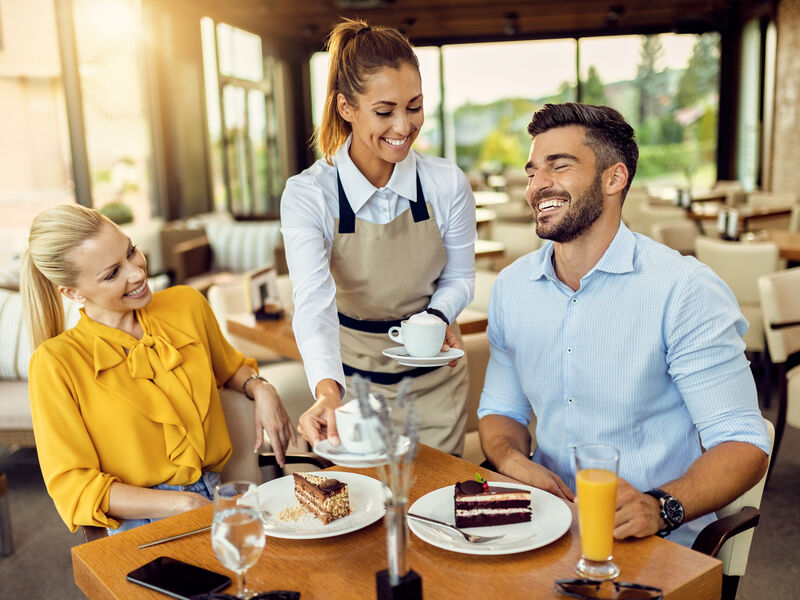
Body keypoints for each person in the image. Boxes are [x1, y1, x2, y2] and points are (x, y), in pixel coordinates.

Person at [477, 102, 770, 547]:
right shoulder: (511, 288)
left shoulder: (684, 291)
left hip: (653, 545)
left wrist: (659, 506)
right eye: (534, 170)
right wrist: (511, 459)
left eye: (559, 166)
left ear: (614, 178)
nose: (538, 185)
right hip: (545, 529)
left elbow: (743, 443)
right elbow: (501, 410)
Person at [21, 204, 296, 533]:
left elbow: (230, 367)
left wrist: (260, 388)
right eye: (112, 274)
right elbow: (74, 486)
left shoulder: (186, 304)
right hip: (138, 524)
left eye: (131, 251)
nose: (137, 273)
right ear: (72, 292)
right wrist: (181, 503)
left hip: (219, 495)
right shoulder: (55, 363)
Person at [281, 19, 475, 454]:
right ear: (346, 107)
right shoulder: (310, 195)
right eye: (385, 112)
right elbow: (313, 304)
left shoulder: (446, 183)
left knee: (432, 514)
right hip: (354, 390)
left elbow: (461, 278)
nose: (404, 127)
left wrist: (438, 317)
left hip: (436, 388)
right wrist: (329, 393)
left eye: (415, 106)